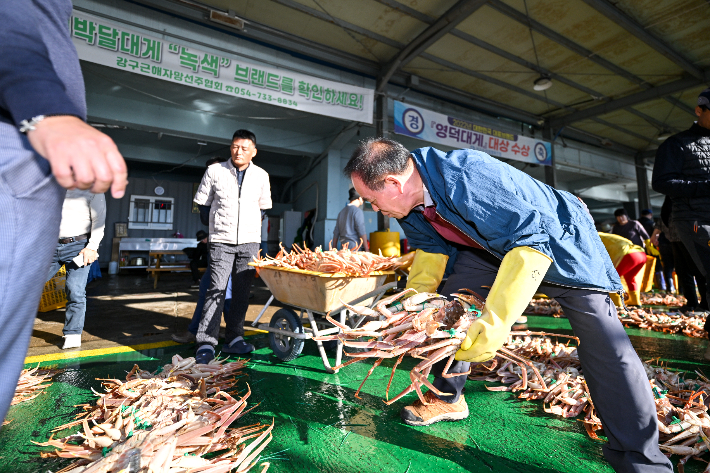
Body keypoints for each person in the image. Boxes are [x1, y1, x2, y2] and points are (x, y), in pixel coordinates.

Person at [345, 138, 671, 472]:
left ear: (393, 183)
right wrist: (416, 301)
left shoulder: (466, 175)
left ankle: (642, 459)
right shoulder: (405, 204)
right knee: (449, 311)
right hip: (485, 251)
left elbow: (531, 242)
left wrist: (495, 321)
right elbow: (431, 250)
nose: (373, 208)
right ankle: (446, 398)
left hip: (557, 242)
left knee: (605, 344)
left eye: (371, 199)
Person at [0, 2, 127, 425]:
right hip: (18, 131)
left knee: (73, 293)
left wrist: (92, 245)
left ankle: (71, 336)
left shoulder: (82, 188)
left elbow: (100, 215)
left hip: (74, 242)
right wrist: (46, 108)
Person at [192, 129, 271, 363]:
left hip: (249, 242)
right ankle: (206, 341)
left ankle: (235, 338)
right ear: (230, 148)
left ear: (253, 152)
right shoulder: (214, 171)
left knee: (242, 292)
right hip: (221, 241)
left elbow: (263, 208)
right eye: (236, 146)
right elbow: (203, 205)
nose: (239, 151)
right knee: (215, 289)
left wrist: (248, 227)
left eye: (245, 148)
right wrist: (216, 223)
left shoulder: (261, 175)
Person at [652, 88, 710, 320]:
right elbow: (662, 182)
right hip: (694, 220)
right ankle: (694, 302)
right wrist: (705, 186)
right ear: (699, 110)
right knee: (687, 270)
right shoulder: (677, 144)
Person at [46, 189, 106, 349]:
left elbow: (99, 219)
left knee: (75, 289)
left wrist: (92, 247)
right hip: (49, 244)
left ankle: (72, 334)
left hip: (78, 246)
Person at [598, 233, 647, 308]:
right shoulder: (603, 235)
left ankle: (616, 303)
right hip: (640, 254)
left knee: (612, 279)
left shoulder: (591, 237)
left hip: (628, 255)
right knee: (630, 277)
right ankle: (635, 300)